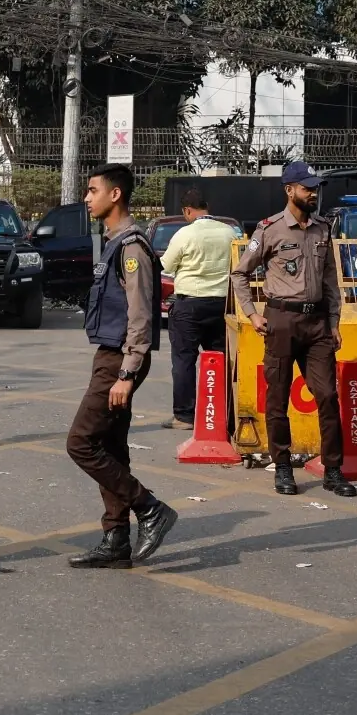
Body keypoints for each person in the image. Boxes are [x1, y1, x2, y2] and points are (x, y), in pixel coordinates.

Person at [66, 164, 177, 568]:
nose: (86, 197)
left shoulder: (132, 248)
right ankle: (116, 538)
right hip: (111, 355)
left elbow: (141, 315)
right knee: (111, 445)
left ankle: (150, 508)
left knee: (80, 442)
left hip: (121, 359)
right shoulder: (115, 242)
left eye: (92, 190)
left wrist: (127, 374)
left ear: (114, 195)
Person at [231, 161, 353, 497]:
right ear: (289, 190)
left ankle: (333, 470)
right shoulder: (269, 230)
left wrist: (333, 323)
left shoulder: (322, 229)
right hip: (281, 321)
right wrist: (253, 315)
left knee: (328, 396)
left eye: (315, 188)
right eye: (307, 188)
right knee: (278, 398)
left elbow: (331, 281)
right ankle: (283, 467)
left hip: (317, 325)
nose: (313, 193)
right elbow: (240, 274)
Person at [158, 188, 238, 429]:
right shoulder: (229, 233)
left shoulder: (184, 234)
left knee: (184, 360)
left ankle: (184, 416)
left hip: (190, 304)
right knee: (223, 360)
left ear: (187, 211)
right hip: (222, 304)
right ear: (207, 208)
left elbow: (167, 266)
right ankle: (225, 413)